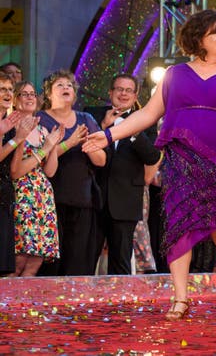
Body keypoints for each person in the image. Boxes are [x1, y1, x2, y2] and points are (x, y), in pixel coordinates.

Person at [83, 9, 216, 320]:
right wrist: (108, 134)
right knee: (179, 230)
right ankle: (180, 298)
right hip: (182, 164)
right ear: (199, 38)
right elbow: (147, 115)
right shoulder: (175, 76)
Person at [89, 74, 161, 275]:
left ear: (135, 95)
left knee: (120, 262)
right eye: (119, 89)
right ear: (110, 92)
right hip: (94, 199)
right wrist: (104, 126)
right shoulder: (92, 115)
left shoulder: (145, 121)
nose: (123, 94)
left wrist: (132, 129)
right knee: (86, 258)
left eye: (129, 90)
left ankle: (118, 305)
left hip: (126, 200)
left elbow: (152, 156)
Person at [37, 70, 107, 276]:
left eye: (69, 85)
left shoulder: (86, 119)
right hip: (49, 200)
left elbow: (101, 160)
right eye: (60, 85)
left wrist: (86, 143)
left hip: (82, 198)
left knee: (78, 260)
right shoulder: (40, 119)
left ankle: (75, 307)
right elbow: (38, 160)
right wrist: (69, 143)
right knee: (52, 262)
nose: (66, 88)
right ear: (49, 94)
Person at [10, 81, 64, 276]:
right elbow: (16, 171)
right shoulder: (11, 128)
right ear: (15, 100)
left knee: (36, 258)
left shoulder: (42, 130)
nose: (30, 97)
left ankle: (21, 305)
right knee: (20, 257)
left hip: (42, 195)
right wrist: (44, 149)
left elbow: (50, 172)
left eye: (32, 94)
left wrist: (52, 146)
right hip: (22, 193)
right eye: (24, 94)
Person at [0, 73, 34, 276]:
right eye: (2, 88)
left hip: (4, 194)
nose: (7, 93)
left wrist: (20, 136)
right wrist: (17, 138)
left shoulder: (10, 122)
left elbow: (14, 168)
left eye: (10, 89)